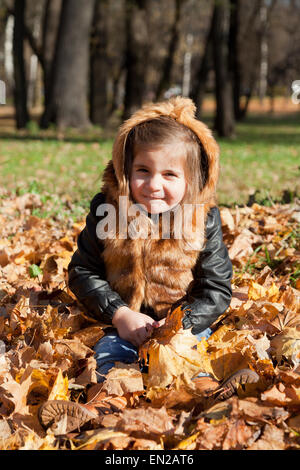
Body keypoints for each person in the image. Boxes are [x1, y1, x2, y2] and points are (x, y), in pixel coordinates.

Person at [38, 97, 258, 433]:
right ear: (124, 169)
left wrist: (179, 324)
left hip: (184, 324)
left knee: (190, 358)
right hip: (122, 321)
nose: (154, 184)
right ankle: (101, 408)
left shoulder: (202, 220)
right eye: (143, 171)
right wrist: (119, 313)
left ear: (193, 180)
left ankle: (210, 397)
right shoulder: (106, 211)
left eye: (170, 174)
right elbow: (82, 271)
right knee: (111, 357)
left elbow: (216, 287)